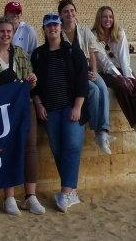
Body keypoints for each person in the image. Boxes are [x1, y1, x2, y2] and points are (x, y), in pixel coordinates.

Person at [0, 17, 44, 215]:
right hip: (0, 109)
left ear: (13, 33)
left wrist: (32, 80)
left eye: (9, 31)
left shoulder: (21, 54)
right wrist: (3, 98)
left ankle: (31, 196)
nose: (6, 35)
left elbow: (29, 79)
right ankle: (9, 197)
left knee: (30, 148)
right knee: (8, 149)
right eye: (2, 31)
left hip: (23, 106)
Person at [31, 13, 88, 213]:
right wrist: (38, 103)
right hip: (51, 109)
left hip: (71, 108)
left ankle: (65, 191)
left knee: (72, 147)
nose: (53, 29)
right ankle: (71, 191)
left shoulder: (73, 52)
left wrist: (77, 107)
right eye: (49, 27)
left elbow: (82, 81)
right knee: (57, 149)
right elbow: (34, 85)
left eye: (56, 25)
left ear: (61, 28)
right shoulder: (38, 54)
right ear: (44, 30)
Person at [58, 0, 112, 154]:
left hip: (88, 68)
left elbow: (92, 52)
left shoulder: (84, 31)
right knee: (94, 91)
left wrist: (94, 71)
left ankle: (104, 130)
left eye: (72, 10)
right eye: (66, 11)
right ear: (60, 15)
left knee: (102, 88)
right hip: (74, 73)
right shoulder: (59, 33)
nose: (69, 14)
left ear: (75, 12)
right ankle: (96, 129)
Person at [92, 6, 136, 142]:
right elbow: (104, 60)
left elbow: (124, 58)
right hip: (103, 71)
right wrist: (120, 77)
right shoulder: (94, 36)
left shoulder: (119, 33)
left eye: (110, 17)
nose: (108, 19)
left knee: (133, 82)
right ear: (99, 18)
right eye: (104, 17)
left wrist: (128, 76)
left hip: (120, 68)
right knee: (121, 85)